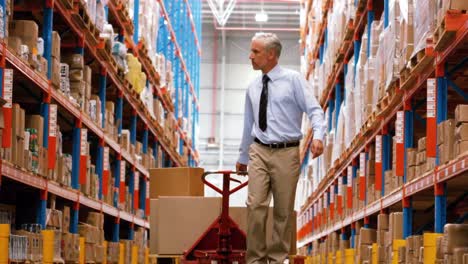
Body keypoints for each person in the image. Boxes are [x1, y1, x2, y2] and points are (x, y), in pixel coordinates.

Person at [236, 32, 326, 264]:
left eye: (255, 52)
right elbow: (249, 124)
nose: (250, 56)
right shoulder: (253, 87)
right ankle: (255, 260)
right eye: (251, 51)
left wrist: (318, 136)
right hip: (259, 150)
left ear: (271, 55)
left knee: (283, 211)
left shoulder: (293, 80)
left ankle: (277, 259)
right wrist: (243, 155)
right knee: (255, 205)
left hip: (286, 152)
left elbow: (314, 110)